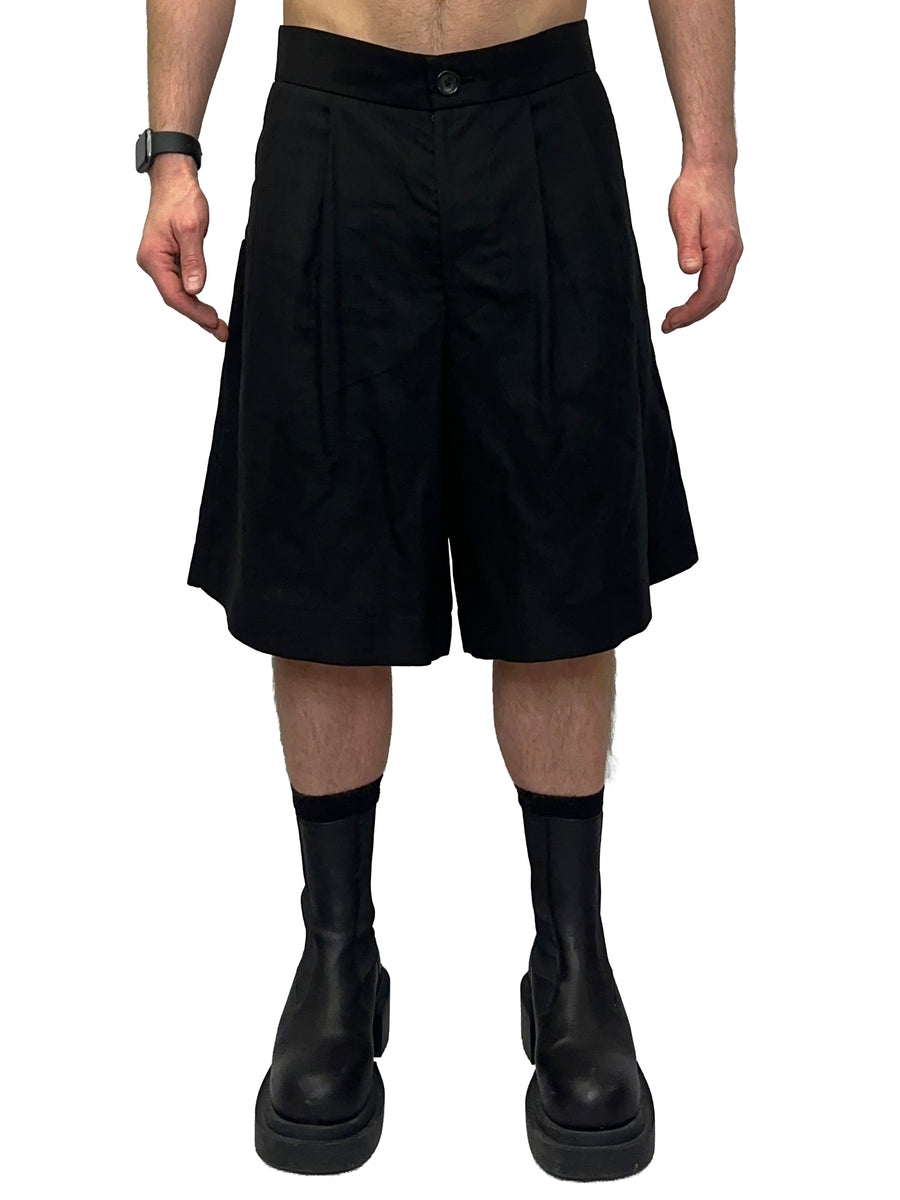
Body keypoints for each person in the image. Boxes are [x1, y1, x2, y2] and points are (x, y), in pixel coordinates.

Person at [136, 0, 741, 1181]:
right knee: (324, 574)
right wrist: (171, 150)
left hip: (541, 115)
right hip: (333, 114)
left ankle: (570, 963)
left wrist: (709, 153)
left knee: (561, 570)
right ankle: (337, 957)